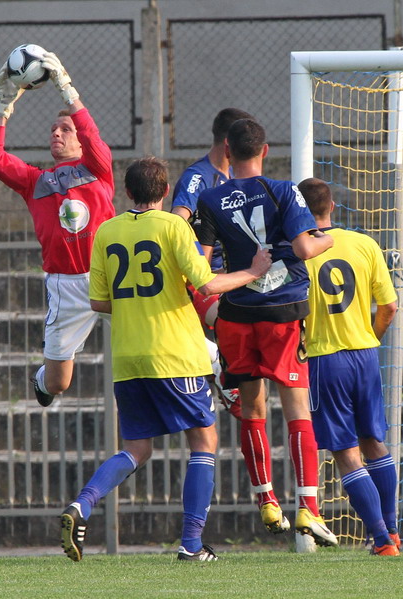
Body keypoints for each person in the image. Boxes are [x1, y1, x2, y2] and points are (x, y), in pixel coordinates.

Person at [59, 157, 271, 562]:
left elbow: (98, 300)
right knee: (203, 440)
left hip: (128, 360)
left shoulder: (106, 231)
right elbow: (207, 282)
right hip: (174, 355)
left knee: (137, 448)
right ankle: (192, 544)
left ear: (127, 191)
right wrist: (252, 270)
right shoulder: (174, 226)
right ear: (165, 192)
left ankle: (83, 503)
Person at [194, 118, 337, 546]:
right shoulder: (283, 190)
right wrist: (327, 237)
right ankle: (308, 508)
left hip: (237, 314)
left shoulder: (209, 198)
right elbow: (305, 248)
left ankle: (266, 500)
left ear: (226, 149)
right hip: (282, 311)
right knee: (296, 409)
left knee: (253, 410)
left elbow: (201, 264)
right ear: (265, 150)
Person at [0, 50, 114, 408]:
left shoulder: (97, 166)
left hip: (108, 276)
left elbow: (91, 132)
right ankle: (43, 378)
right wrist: (2, 107)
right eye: (53, 129)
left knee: (158, 334)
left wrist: (66, 89)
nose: (56, 133)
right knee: (58, 383)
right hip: (65, 286)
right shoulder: (34, 181)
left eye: (65, 129)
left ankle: (214, 362)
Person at [298, 177, 401, 557]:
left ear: (298, 211)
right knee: (374, 441)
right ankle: (392, 529)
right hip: (365, 356)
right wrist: (370, 338)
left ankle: (380, 539)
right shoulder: (365, 244)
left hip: (327, 360)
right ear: (333, 206)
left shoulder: (299, 252)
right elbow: (389, 307)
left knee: (346, 452)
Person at [171, 107, 254, 418]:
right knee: (229, 317)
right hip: (203, 280)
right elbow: (177, 222)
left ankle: (228, 368)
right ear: (228, 143)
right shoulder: (197, 178)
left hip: (235, 276)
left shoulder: (236, 176)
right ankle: (224, 369)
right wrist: (197, 262)